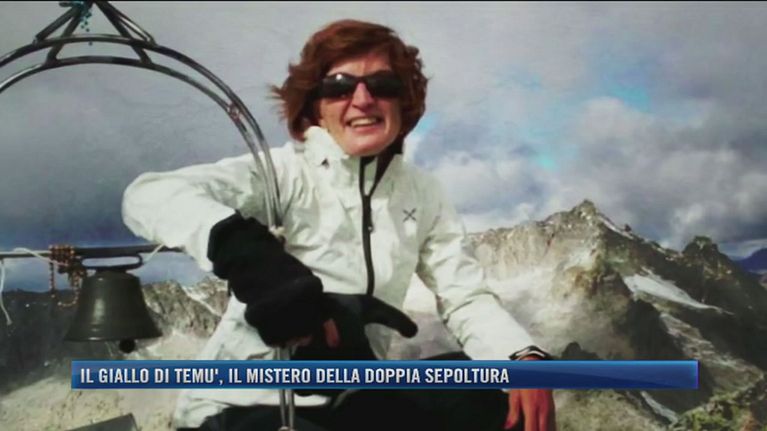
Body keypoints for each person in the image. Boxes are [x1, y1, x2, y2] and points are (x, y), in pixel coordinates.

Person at [122, 19, 555, 431]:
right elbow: (148, 196)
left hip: (353, 396)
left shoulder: (424, 193)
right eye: (339, 87)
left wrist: (519, 357)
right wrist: (251, 258)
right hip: (243, 404)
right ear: (315, 106)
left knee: (494, 393)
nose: (362, 100)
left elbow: (465, 297)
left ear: (404, 101)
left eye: (382, 85)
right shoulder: (283, 173)